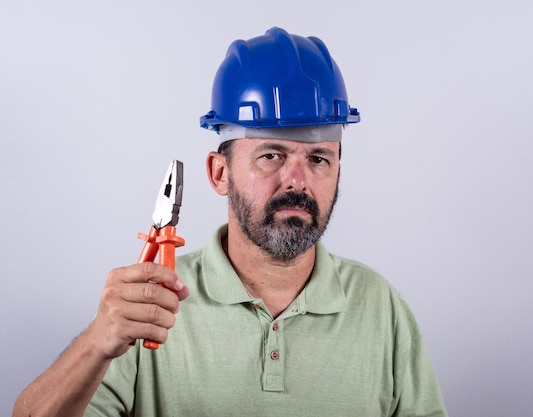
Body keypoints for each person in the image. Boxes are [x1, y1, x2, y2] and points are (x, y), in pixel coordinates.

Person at [13, 27, 447, 417]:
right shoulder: (151, 306)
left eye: (318, 159)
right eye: (271, 155)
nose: (297, 181)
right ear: (220, 173)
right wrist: (96, 341)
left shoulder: (381, 308)